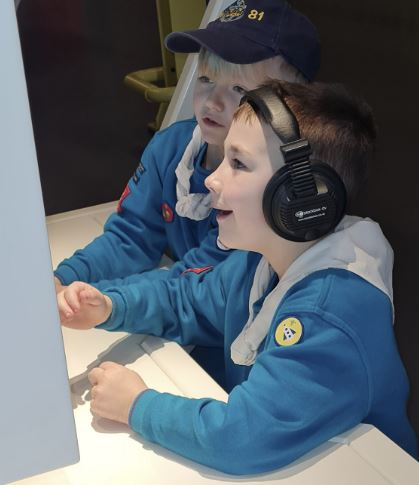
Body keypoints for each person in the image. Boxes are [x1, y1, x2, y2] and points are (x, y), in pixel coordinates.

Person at [57, 80, 417, 474]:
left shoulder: (329, 313)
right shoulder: (260, 261)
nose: (212, 178)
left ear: (300, 198)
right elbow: (186, 298)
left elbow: (244, 435)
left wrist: (138, 405)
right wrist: (108, 305)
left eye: (238, 164)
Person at [53, 0, 320, 292]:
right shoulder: (170, 147)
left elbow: (204, 279)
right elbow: (131, 237)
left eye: (239, 89)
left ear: (287, 108)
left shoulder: (271, 181)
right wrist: (65, 278)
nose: (212, 101)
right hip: (173, 313)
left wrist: (111, 302)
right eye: (206, 79)